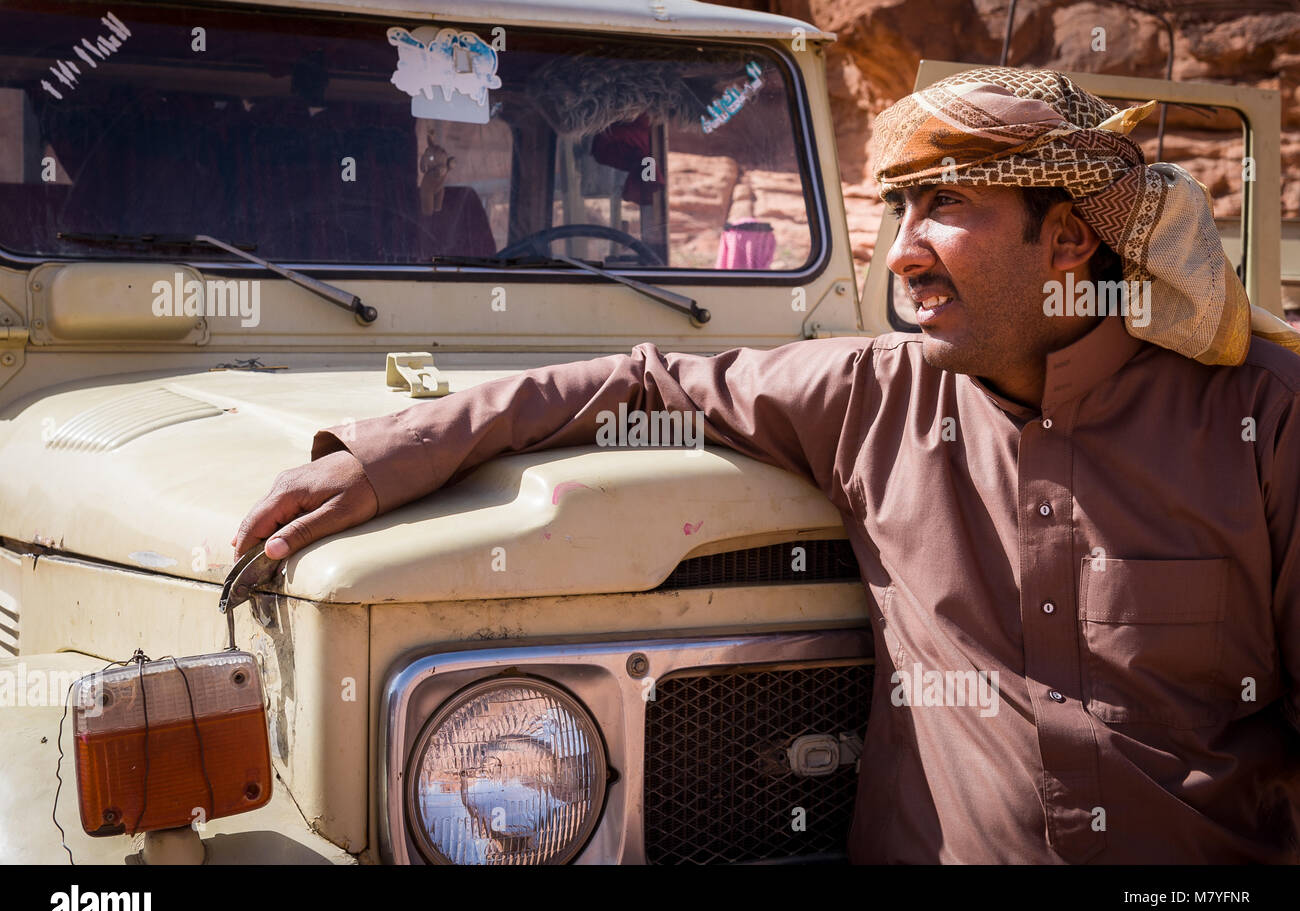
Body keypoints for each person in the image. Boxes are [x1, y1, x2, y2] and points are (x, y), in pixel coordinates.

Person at [233, 67, 1300, 863]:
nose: (902, 253)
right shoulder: (872, 396)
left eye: (946, 208)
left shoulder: (1261, 417)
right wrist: (382, 460)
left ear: (1068, 242)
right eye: (896, 210)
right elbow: (643, 382)